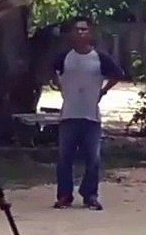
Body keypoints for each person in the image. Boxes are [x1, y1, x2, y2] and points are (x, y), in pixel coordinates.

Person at [52, 15, 124, 210]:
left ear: (90, 33)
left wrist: (103, 91)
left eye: (84, 29)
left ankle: (90, 195)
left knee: (93, 159)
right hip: (69, 115)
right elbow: (50, 70)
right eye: (77, 29)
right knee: (64, 159)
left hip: (91, 116)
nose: (81, 32)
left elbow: (118, 74)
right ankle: (64, 196)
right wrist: (59, 85)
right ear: (72, 34)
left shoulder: (99, 58)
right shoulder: (65, 57)